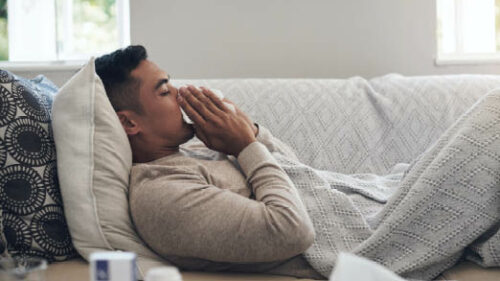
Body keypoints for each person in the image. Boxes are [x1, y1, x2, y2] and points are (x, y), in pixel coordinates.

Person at [95, 45, 326, 279]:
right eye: (165, 91)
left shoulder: (200, 148)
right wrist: (245, 146)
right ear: (129, 123)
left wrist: (249, 130)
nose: (181, 94)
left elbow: (298, 173)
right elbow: (293, 231)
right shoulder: (161, 194)